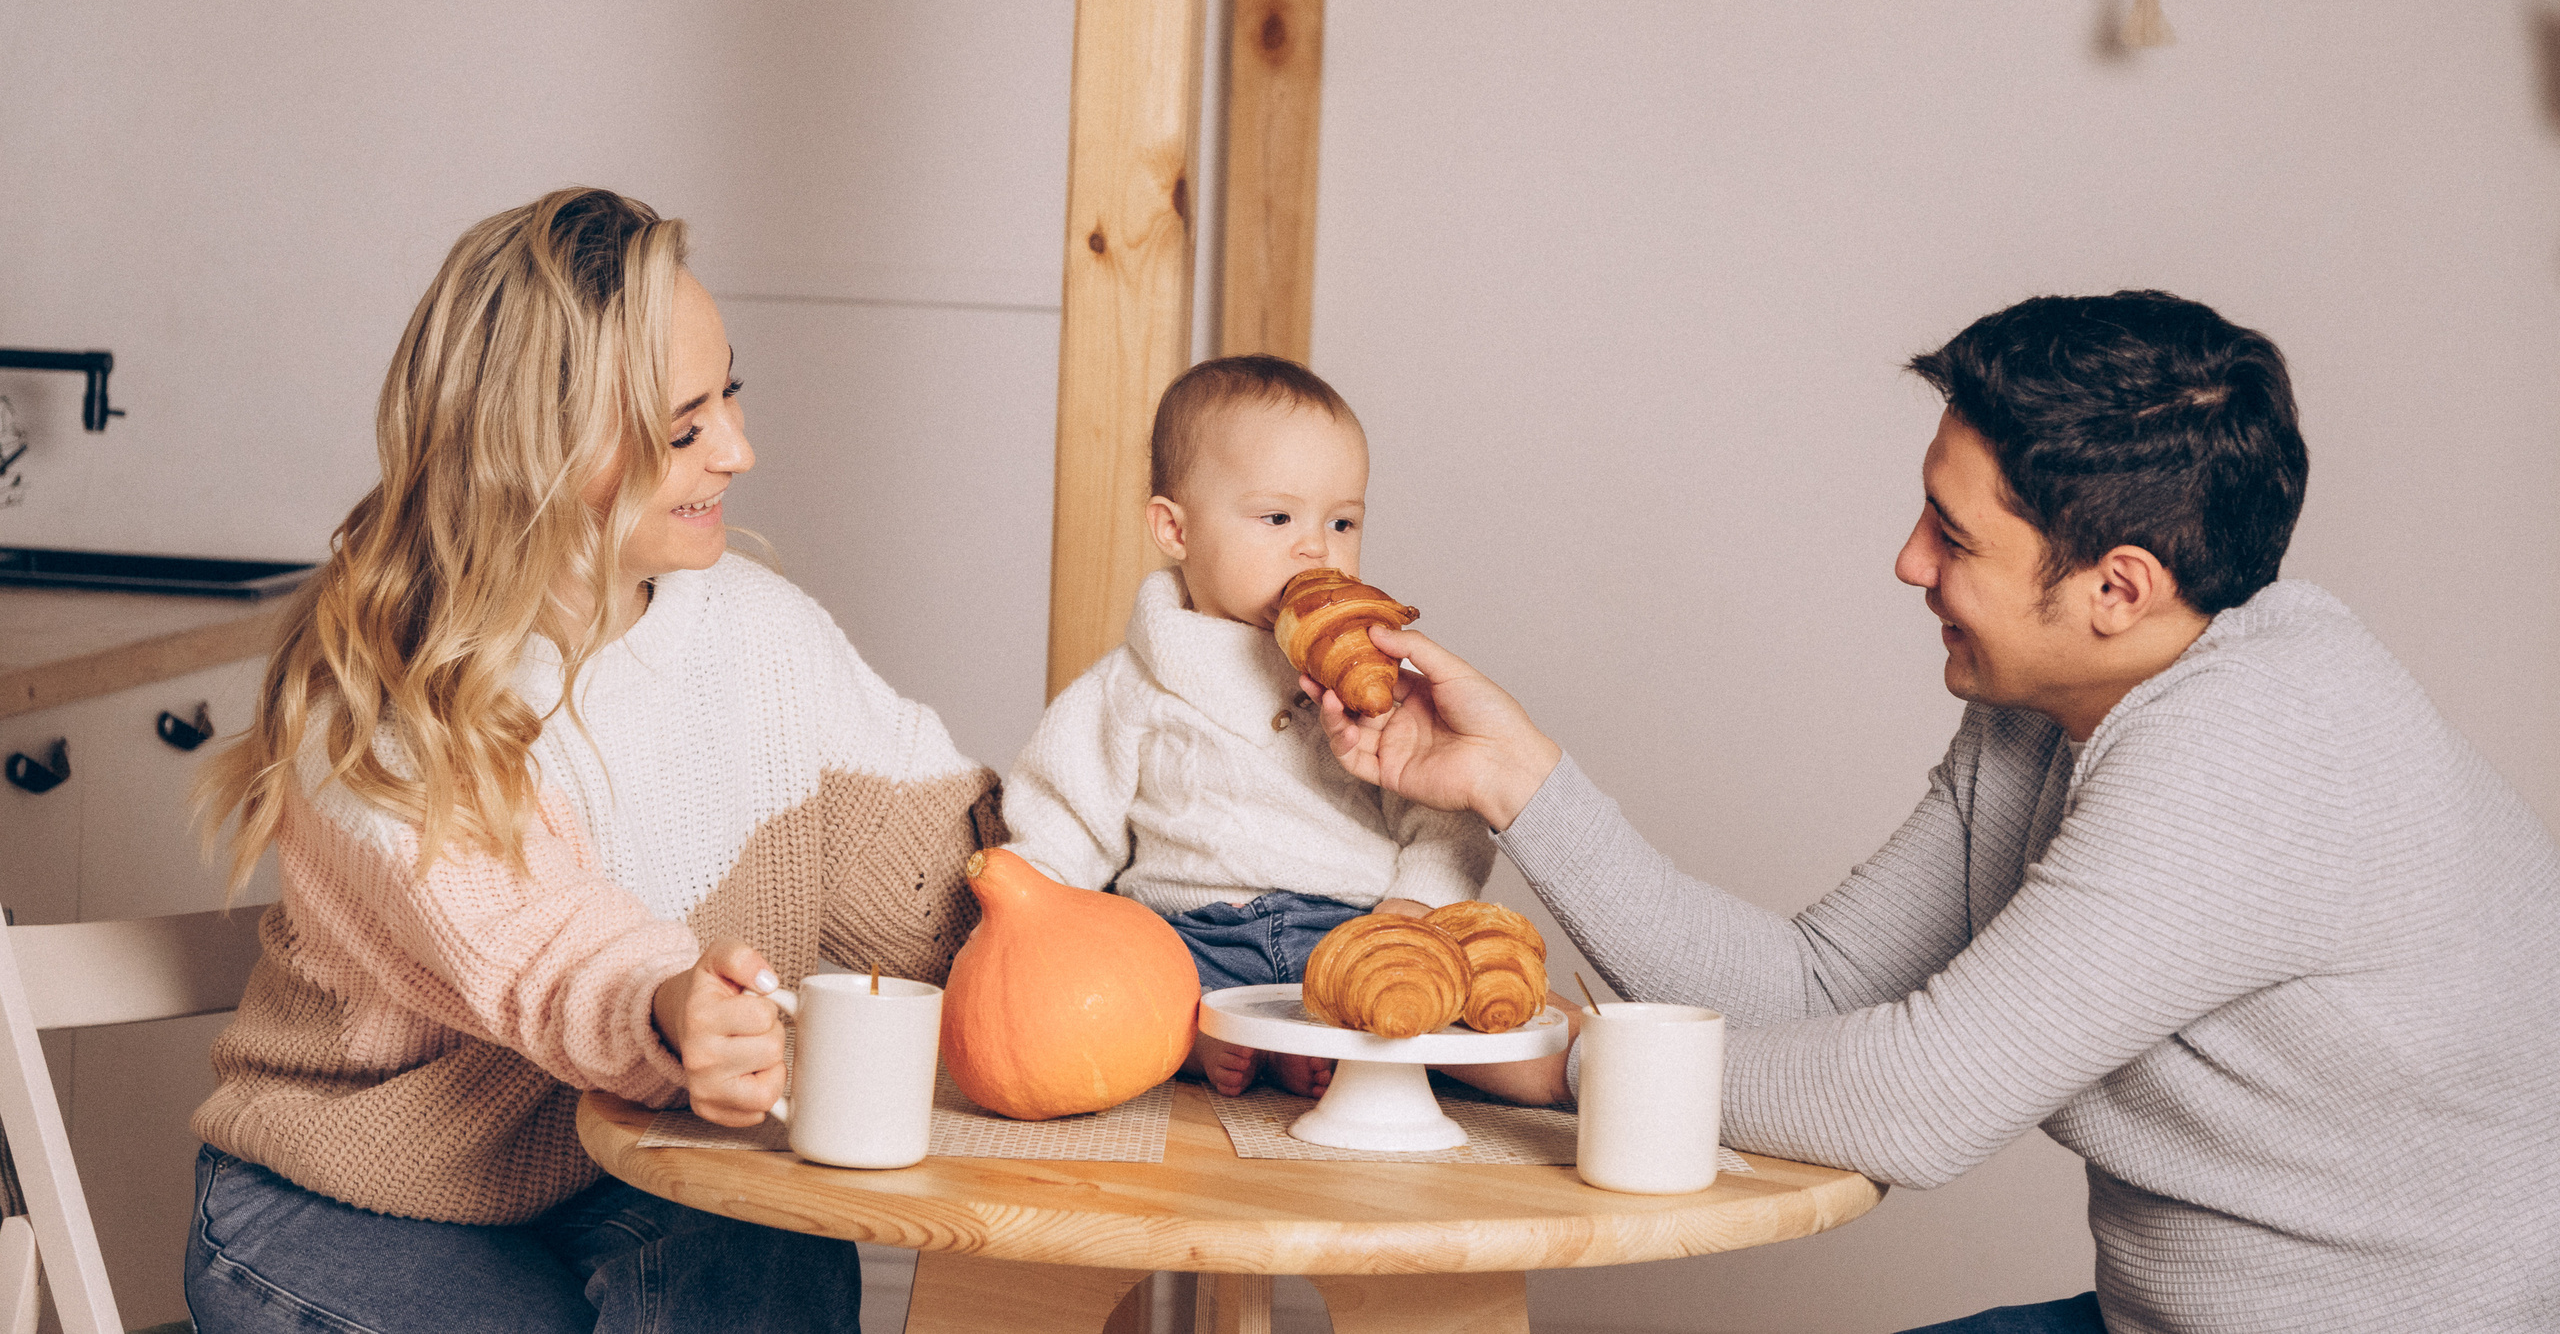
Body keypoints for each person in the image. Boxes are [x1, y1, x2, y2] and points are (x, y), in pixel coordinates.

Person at [1304, 291, 2560, 1334]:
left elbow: (1915, 1100)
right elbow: (1813, 989)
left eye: (1951, 535)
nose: (1910, 562)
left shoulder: (2256, 749)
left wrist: (1578, 1062)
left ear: (2117, 587)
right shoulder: (2060, 695)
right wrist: (1512, 780)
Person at [185, 189, 1002, 1333]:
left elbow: (965, 886)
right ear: (540, 449)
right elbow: (543, 949)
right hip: (345, 1205)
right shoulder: (381, 696)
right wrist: (667, 1005)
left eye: (730, 394)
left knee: (776, 1245)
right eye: (682, 428)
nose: (739, 449)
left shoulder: (760, 634)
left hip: (619, 1175)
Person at [1001, 355, 1494, 1096]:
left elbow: (1445, 820)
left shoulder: (1374, 680)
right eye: (1277, 517)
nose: (1316, 547)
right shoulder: (1132, 683)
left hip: (1340, 924)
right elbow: (1068, 810)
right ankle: (1194, 1038)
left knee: (1413, 990)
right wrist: (1034, 914)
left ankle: (1319, 1033)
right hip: (1186, 929)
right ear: (1175, 528)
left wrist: (1410, 908)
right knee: (1131, 985)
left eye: (1342, 520)